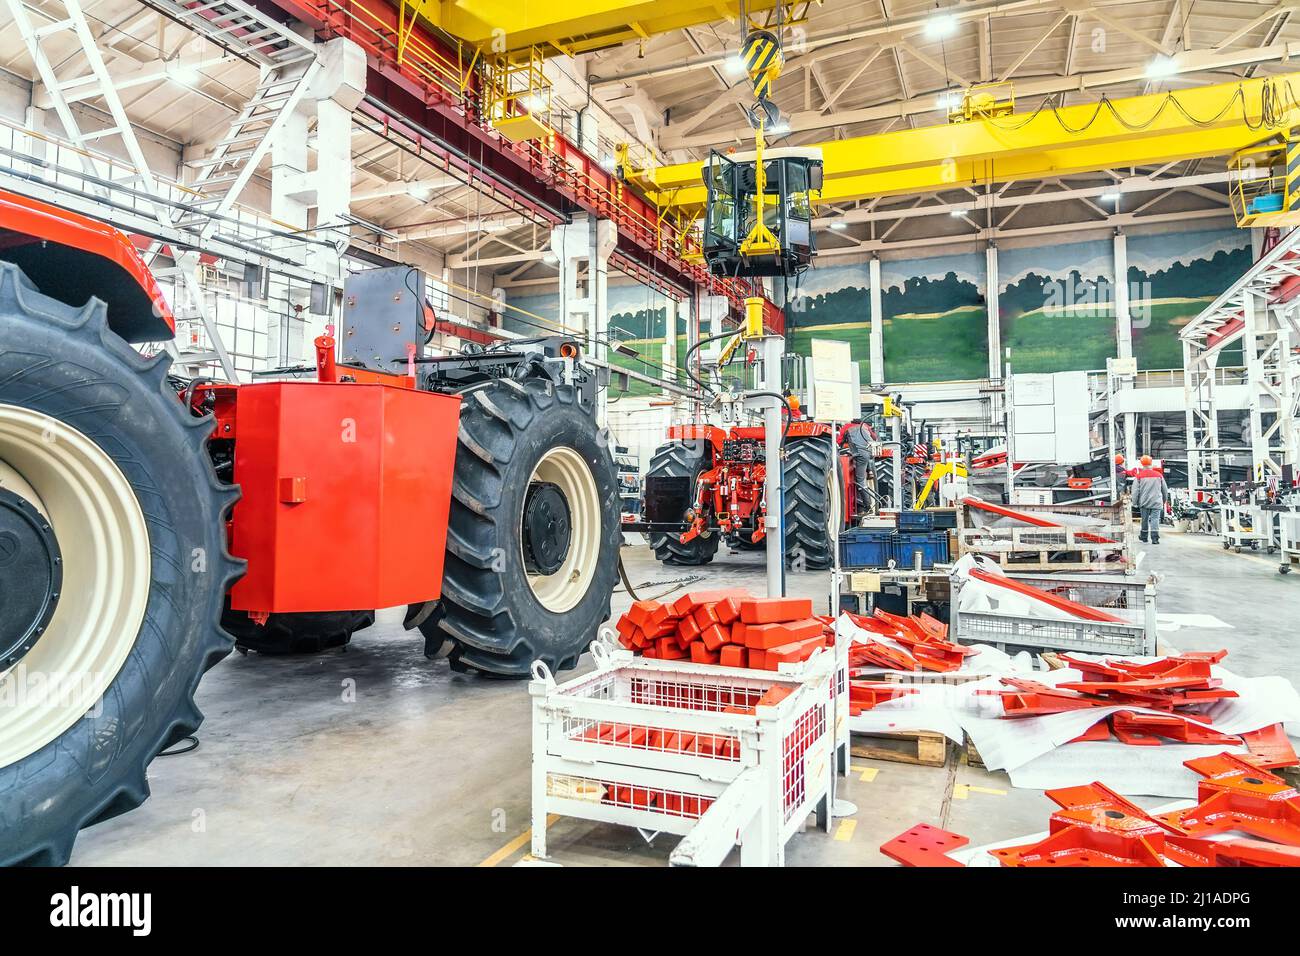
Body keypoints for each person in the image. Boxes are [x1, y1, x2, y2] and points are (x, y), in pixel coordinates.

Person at [1130, 454, 1168, 544]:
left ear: (1141, 464)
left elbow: (1135, 491)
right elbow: (1164, 490)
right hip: (1156, 501)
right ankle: (1155, 538)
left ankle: (1144, 537)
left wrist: (1134, 503)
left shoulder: (1139, 476)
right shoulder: (1159, 475)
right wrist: (1164, 501)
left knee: (1145, 519)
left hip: (1144, 502)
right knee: (1155, 519)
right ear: (1151, 463)